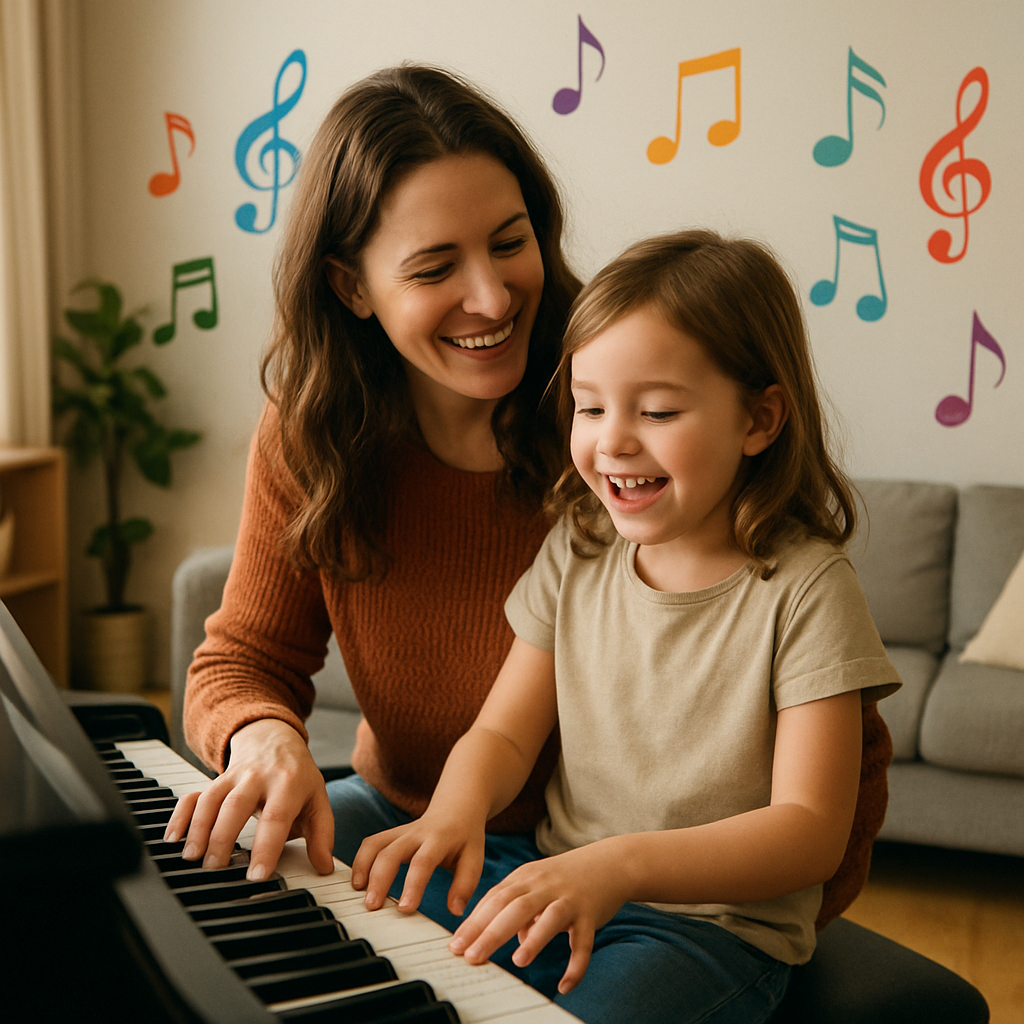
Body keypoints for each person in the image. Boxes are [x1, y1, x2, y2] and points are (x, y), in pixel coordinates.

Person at [168, 63, 892, 955]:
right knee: (218, 905)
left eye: (510, 243)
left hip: (611, 870)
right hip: (419, 812)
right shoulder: (313, 432)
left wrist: (747, 927)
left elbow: (818, 769)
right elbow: (245, 659)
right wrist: (263, 739)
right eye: (435, 267)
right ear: (351, 287)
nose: (492, 296)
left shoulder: (617, 406)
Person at [351, 229, 902, 1024]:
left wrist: (619, 868)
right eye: (590, 406)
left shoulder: (809, 590)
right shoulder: (578, 547)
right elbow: (503, 735)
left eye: (658, 410)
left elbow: (810, 833)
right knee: (352, 902)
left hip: (704, 930)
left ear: (759, 419)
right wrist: (452, 813)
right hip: (551, 874)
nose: (611, 439)